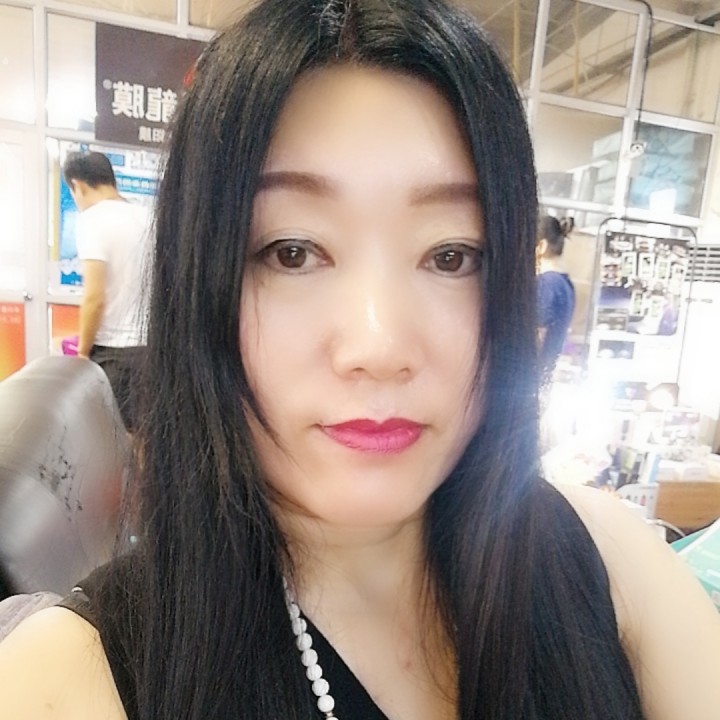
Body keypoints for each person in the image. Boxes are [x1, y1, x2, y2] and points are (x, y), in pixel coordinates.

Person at [1, 1, 719, 719]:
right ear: (201, 281)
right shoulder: (71, 678)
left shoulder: (611, 563)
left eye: (451, 255)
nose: (380, 348)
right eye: (293, 252)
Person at [62, 151, 151, 432]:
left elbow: (94, 297)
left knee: (110, 437)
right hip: (152, 347)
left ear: (78, 185)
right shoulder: (147, 216)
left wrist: (82, 353)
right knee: (146, 434)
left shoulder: (92, 220)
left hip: (114, 354)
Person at [536, 214, 576, 380]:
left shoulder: (547, 284)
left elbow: (536, 335)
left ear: (541, 247)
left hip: (528, 375)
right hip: (541, 375)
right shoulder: (564, 284)